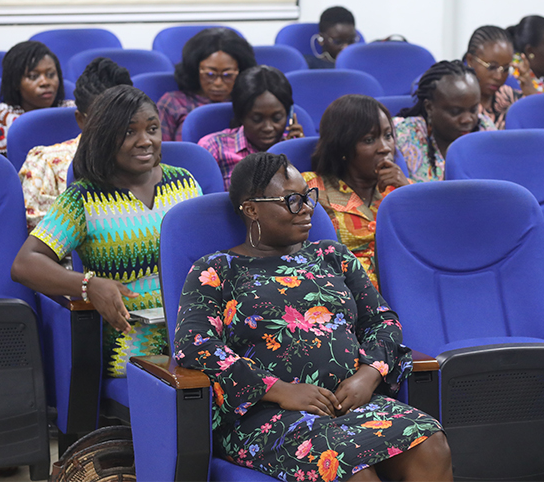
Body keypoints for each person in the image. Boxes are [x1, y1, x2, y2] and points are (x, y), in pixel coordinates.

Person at [173, 152, 452, 482]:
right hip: (267, 414)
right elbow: (194, 344)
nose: (307, 208)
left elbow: (382, 321)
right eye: (292, 200)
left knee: (432, 443)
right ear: (251, 209)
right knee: (353, 472)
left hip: (348, 401)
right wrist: (279, 390)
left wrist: (368, 375)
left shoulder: (333, 256)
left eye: (308, 197)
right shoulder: (217, 269)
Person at [11, 86, 201, 377]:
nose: (145, 141)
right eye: (129, 132)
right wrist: (88, 285)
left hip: (193, 326)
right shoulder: (83, 199)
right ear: (103, 137)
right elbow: (25, 264)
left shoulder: (185, 184)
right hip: (129, 337)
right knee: (188, 381)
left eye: (152, 128)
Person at [302, 95, 410, 290]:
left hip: (407, 288)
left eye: (388, 136)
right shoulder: (311, 187)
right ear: (343, 147)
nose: (385, 148)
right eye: (369, 140)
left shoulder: (405, 188)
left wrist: (408, 195)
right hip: (343, 294)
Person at [19, 57, 132, 231]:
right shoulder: (46, 161)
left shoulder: (149, 158)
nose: (116, 127)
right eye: (105, 119)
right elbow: (35, 231)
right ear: (81, 120)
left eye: (124, 117)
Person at [198, 65, 304, 189]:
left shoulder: (294, 146)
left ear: (289, 115)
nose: (268, 127)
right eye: (257, 119)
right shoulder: (214, 147)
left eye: (277, 119)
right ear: (241, 116)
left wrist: (299, 152)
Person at [394, 61, 494, 182]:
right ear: (429, 108)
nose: (467, 119)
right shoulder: (404, 134)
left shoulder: (485, 129)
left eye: (473, 110)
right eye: (456, 112)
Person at [0, 40, 72, 155]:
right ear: (16, 82)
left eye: (51, 74)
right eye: (33, 76)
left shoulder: (72, 111)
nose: (45, 82)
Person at [157, 27, 257, 141]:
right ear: (195, 69)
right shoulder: (173, 103)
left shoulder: (248, 103)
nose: (218, 83)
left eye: (228, 75)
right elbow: (162, 151)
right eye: (210, 74)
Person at [462, 26, 521, 127]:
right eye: (492, 67)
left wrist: (530, 92)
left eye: (505, 69)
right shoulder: (455, 103)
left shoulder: (511, 98)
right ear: (470, 60)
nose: (499, 77)